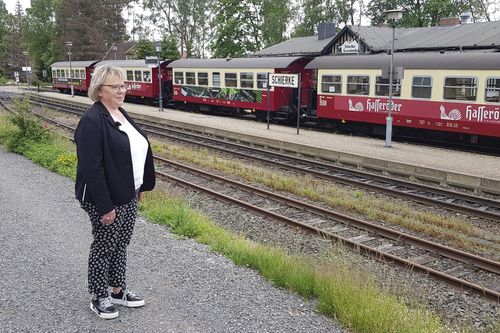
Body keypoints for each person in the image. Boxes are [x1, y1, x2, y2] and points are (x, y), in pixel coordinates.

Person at [74, 65, 155, 319]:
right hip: (104, 197)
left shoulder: (120, 113)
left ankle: (118, 290)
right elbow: (91, 168)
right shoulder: (91, 121)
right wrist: (105, 205)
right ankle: (99, 295)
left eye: (123, 85)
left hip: (127, 192)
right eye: (115, 86)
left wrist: (139, 185)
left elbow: (131, 153)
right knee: (104, 245)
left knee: (121, 243)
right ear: (99, 91)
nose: (122, 90)